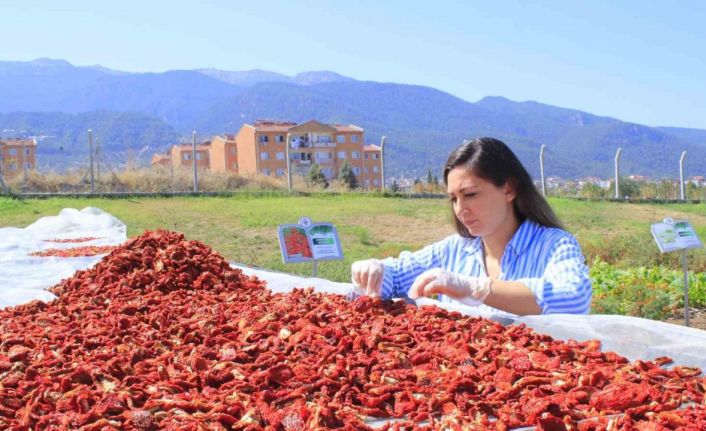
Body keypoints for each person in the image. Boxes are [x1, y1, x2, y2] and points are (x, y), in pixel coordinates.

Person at [351, 137, 592, 316]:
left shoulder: (554, 245)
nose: (460, 209)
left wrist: (476, 289)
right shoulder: (454, 250)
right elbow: (395, 276)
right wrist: (374, 271)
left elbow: (573, 298)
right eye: (454, 199)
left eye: (471, 194)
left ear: (509, 189)